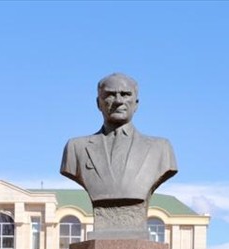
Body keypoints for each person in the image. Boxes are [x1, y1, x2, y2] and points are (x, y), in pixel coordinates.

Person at [60, 73, 177, 233]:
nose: (118, 101)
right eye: (110, 95)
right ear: (98, 103)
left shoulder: (160, 149)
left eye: (125, 94)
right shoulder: (76, 148)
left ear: (136, 103)